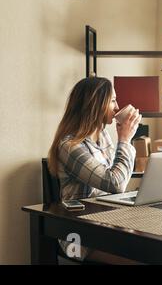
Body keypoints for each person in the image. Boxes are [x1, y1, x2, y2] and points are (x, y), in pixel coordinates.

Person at [47, 76, 142, 264]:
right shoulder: (69, 146)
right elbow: (115, 184)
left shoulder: (103, 136)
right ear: (95, 104)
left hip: (107, 223)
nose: (117, 106)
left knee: (154, 249)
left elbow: (116, 179)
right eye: (113, 100)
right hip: (80, 236)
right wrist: (125, 140)